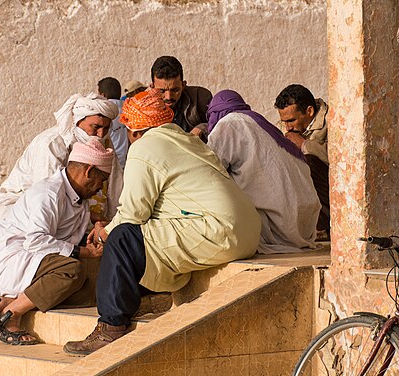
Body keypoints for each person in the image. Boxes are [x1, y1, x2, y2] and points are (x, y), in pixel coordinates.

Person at [63, 90, 260, 356]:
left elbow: (133, 213)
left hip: (217, 230)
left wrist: (103, 233)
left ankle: (110, 327)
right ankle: (147, 298)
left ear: (133, 130)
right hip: (247, 231)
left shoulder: (144, 147)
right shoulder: (187, 140)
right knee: (142, 238)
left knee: (122, 238)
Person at [0, 93, 120, 293]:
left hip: (67, 206)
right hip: (20, 201)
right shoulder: (52, 143)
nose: (100, 134)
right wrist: (90, 222)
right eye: (95, 127)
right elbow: (45, 196)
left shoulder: (103, 146)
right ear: (78, 120)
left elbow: (113, 187)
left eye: (106, 128)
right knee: (33, 233)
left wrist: (108, 221)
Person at [0, 139, 114, 346]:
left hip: (38, 257)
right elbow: (36, 240)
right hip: (16, 257)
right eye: (101, 180)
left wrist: (95, 227)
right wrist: (84, 252)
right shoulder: (48, 194)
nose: (101, 189)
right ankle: (10, 315)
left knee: (89, 291)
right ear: (89, 171)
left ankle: (2, 301)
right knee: (72, 270)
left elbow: (66, 228)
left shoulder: (76, 195)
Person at [207, 90, 320, 254]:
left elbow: (210, 168)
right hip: (305, 229)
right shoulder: (260, 123)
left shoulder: (229, 123)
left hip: (279, 230)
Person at [275, 84, 330, 233]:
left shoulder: (334, 122)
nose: (287, 128)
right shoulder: (285, 127)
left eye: (291, 121)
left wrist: (304, 145)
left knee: (309, 162)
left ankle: (323, 228)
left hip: (329, 189)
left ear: (309, 111)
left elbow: (340, 159)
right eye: (283, 121)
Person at [149, 56, 212, 139]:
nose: (168, 97)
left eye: (175, 90)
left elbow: (217, 123)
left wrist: (201, 128)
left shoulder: (200, 97)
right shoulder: (142, 107)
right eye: (162, 91)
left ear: (183, 85)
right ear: (152, 87)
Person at [98, 77, 129, 168]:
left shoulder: (103, 113)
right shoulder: (129, 108)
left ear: (103, 95)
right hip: (128, 161)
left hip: (112, 163)